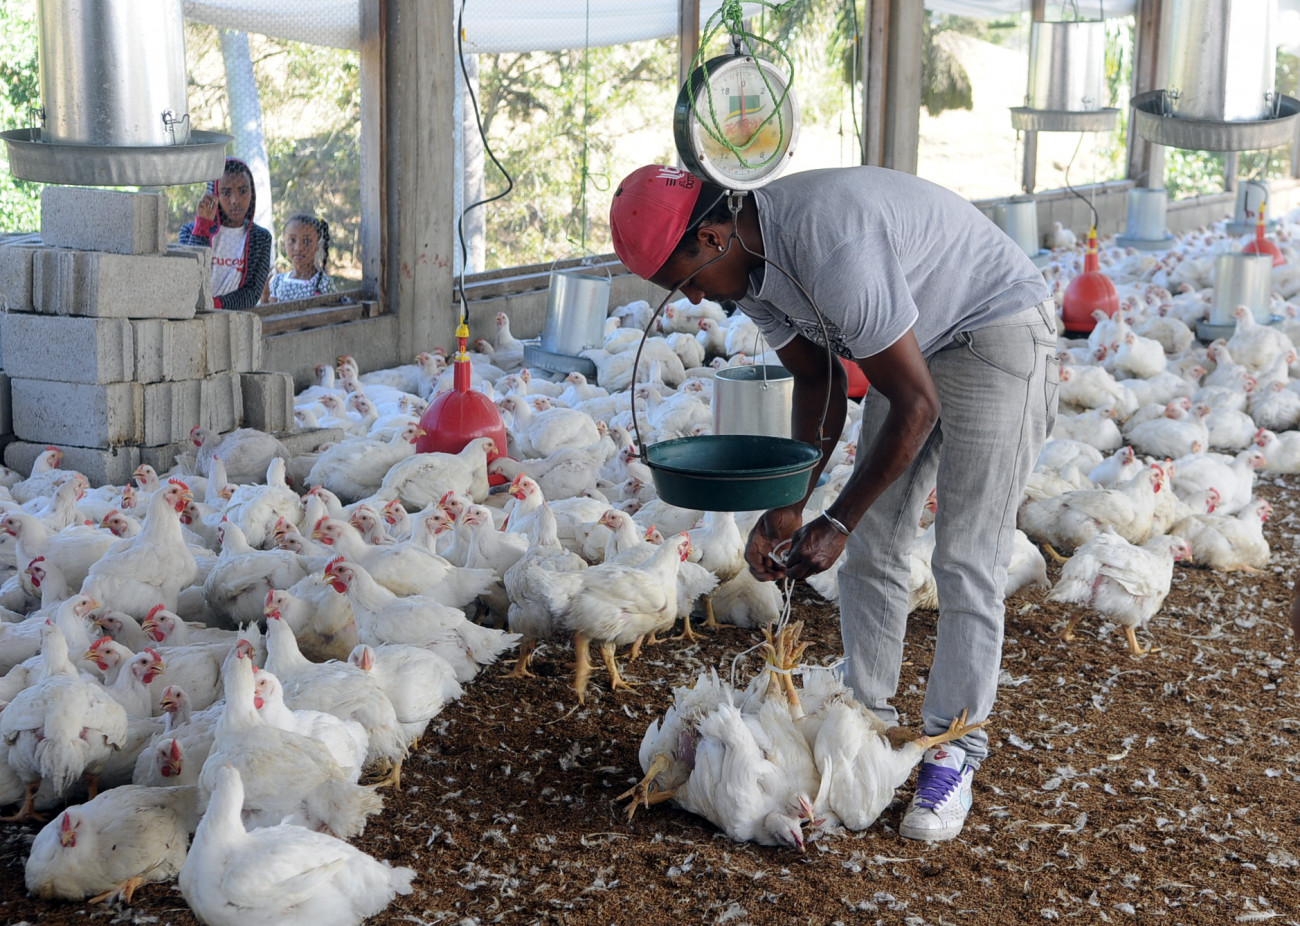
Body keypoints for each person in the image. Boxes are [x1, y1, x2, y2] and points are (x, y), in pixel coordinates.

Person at [608, 164, 1058, 843]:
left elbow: (914, 404)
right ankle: (867, 722)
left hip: (993, 329)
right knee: (877, 541)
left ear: (712, 236)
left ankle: (954, 749)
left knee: (967, 555)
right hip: (919, 340)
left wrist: (838, 518)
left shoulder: (829, 247)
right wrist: (790, 504)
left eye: (687, 278)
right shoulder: (749, 269)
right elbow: (817, 381)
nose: (695, 295)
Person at [178, 157, 272, 310]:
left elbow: (252, 293)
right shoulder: (189, 231)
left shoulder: (261, 239)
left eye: (243, 191)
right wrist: (202, 226)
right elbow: (186, 278)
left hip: (234, 319)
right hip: (193, 316)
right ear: (214, 194)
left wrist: (214, 305)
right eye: (226, 193)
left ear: (252, 193)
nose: (235, 200)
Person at [262, 214, 338, 303]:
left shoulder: (324, 283)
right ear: (284, 244)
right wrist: (265, 295)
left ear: (317, 245)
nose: (298, 248)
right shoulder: (278, 281)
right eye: (292, 240)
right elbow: (270, 310)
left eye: (307, 241)